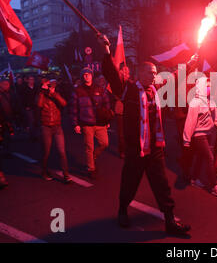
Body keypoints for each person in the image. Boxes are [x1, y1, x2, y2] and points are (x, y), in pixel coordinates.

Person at [100, 35, 191, 236]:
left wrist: (190, 63)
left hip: (155, 149)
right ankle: (123, 210)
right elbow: (110, 73)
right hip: (136, 150)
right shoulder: (129, 90)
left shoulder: (155, 89)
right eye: (151, 73)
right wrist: (107, 49)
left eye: (155, 73)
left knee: (162, 186)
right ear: (140, 74)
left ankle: (170, 221)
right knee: (129, 183)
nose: (154, 76)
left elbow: (175, 76)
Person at [183, 76, 217, 197]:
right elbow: (190, 121)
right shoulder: (195, 103)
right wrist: (186, 139)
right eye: (206, 86)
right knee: (209, 158)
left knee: (201, 157)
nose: (209, 88)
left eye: (210, 86)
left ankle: (193, 179)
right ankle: (214, 186)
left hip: (208, 134)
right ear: (200, 87)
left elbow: (216, 116)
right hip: (199, 135)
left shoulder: (210, 101)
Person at [70, 67, 111, 179]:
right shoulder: (77, 91)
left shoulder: (100, 89)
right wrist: (76, 124)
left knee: (104, 143)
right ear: (82, 77)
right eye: (84, 75)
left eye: (88, 74)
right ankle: (91, 168)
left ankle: (93, 157)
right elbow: (74, 108)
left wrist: (107, 119)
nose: (86, 76)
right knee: (89, 146)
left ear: (92, 75)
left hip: (100, 122)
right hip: (86, 122)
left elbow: (106, 104)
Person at [37, 79, 71, 183]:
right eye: (49, 85)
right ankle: (44, 171)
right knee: (46, 152)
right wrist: (42, 92)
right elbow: (39, 105)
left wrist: (54, 94)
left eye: (53, 85)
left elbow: (64, 103)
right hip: (46, 127)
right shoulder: (40, 95)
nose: (51, 87)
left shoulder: (56, 94)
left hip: (57, 127)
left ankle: (66, 175)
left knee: (62, 151)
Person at [114, 64, 130, 159]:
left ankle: (129, 149)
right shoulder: (116, 84)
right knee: (121, 133)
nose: (124, 73)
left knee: (129, 132)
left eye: (126, 71)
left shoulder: (131, 83)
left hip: (129, 111)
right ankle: (122, 150)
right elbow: (116, 95)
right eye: (122, 71)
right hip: (120, 110)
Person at [20, 75, 38, 140]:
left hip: (35, 106)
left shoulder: (36, 87)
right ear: (27, 80)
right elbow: (22, 98)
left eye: (33, 79)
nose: (32, 81)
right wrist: (26, 106)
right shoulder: (24, 88)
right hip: (29, 107)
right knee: (31, 121)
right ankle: (32, 135)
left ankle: (35, 133)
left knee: (35, 120)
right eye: (30, 79)